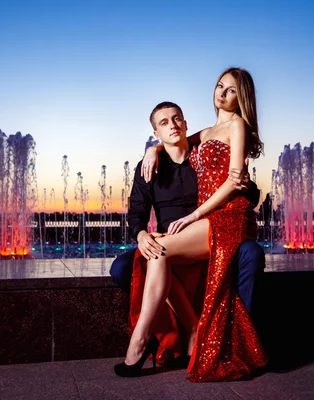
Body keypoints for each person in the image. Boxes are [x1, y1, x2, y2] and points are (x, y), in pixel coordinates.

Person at [114, 67, 268, 382]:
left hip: (227, 215)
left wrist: (194, 215)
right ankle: (176, 333)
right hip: (206, 220)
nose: (222, 94)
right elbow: (173, 142)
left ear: (242, 98)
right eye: (220, 86)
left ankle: (140, 340)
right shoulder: (207, 132)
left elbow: (233, 182)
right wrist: (151, 148)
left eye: (231, 91)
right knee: (156, 251)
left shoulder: (237, 125)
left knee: (159, 251)